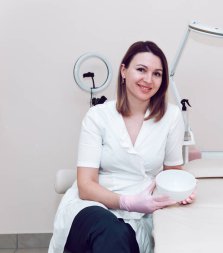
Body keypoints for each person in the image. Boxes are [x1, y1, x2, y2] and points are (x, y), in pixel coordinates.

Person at [48, 41, 195, 253]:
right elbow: (85, 185)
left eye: (157, 73)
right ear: (124, 71)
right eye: (141, 70)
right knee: (110, 232)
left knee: (120, 237)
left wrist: (180, 191)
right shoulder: (98, 116)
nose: (148, 79)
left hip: (140, 213)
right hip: (91, 206)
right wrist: (127, 202)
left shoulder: (171, 117)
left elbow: (172, 172)